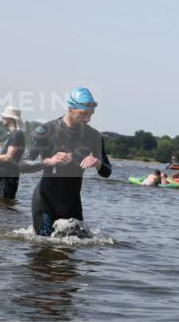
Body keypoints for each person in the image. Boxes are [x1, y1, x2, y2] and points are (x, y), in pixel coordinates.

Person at [20, 87, 111, 236]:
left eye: (91, 114)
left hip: (73, 203)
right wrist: (48, 161)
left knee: (77, 246)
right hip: (45, 201)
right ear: (70, 109)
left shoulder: (94, 136)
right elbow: (21, 165)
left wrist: (98, 163)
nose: (88, 119)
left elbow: (107, 171)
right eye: (84, 113)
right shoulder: (44, 131)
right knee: (43, 245)